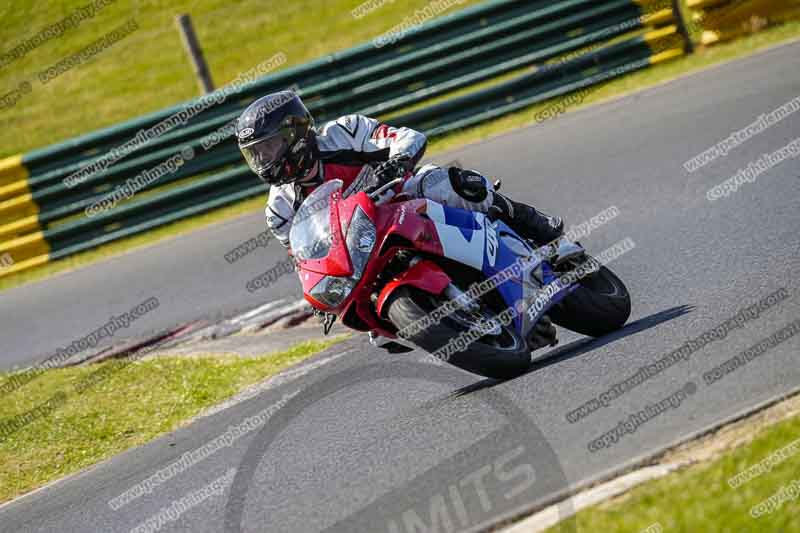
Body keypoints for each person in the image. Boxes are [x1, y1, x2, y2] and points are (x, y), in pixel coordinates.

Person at [235, 91, 564, 249]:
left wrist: (397, 163)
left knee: (457, 185)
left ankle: (528, 219)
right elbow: (305, 256)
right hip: (363, 243)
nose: (264, 160)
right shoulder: (278, 211)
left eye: (270, 147)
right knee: (372, 330)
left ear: (295, 133)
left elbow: (407, 137)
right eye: (256, 154)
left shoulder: (344, 133)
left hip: (405, 196)